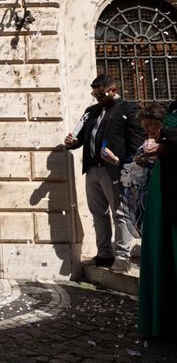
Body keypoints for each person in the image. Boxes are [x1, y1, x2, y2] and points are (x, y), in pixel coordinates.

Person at [64, 74, 144, 273]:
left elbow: (135, 141)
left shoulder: (129, 109)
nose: (97, 99)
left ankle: (123, 257)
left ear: (114, 91)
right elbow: (82, 136)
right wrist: (72, 142)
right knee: (98, 213)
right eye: (95, 95)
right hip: (93, 169)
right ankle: (104, 254)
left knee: (120, 213)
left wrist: (127, 166)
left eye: (101, 95)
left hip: (115, 169)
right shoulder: (91, 111)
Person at [136, 103, 177, 341]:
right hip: (161, 197)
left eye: (150, 127)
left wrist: (159, 149)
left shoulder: (168, 132)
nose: (148, 132)